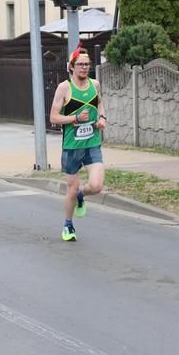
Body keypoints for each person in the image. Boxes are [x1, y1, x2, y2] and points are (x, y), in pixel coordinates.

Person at [49, 47, 107, 242]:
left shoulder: (95, 85)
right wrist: (74, 118)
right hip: (72, 147)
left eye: (87, 64)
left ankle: (83, 194)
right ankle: (68, 224)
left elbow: (99, 103)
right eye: (80, 64)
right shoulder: (64, 88)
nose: (84, 67)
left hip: (92, 144)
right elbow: (53, 117)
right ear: (71, 67)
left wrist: (101, 118)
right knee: (71, 190)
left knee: (97, 186)